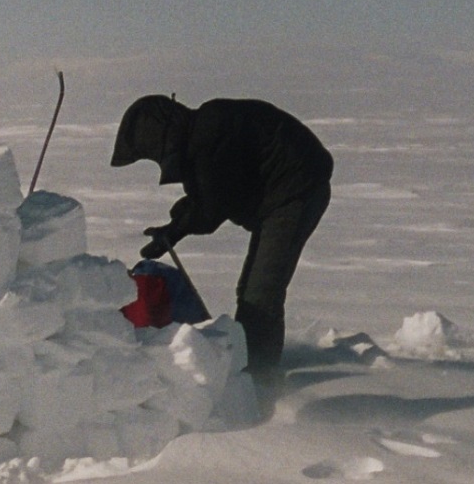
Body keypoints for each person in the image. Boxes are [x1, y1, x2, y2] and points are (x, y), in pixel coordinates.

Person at [110, 95, 333, 393]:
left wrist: (174, 231)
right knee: (251, 290)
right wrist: (173, 229)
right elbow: (208, 196)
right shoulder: (204, 135)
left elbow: (212, 207)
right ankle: (251, 365)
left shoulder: (210, 135)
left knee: (261, 291)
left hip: (296, 190)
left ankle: (259, 379)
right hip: (281, 195)